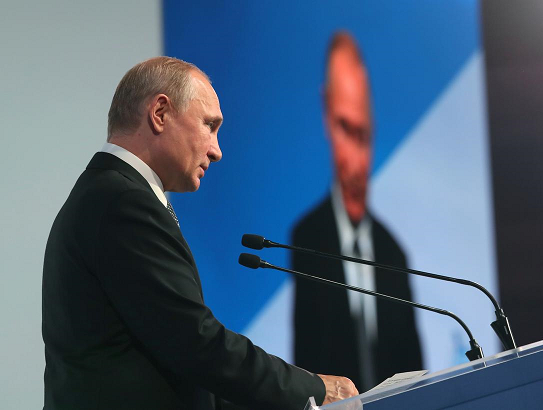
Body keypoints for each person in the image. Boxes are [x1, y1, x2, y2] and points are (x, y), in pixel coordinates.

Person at [42, 57, 358, 410]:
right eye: (209, 125)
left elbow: (177, 363)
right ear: (160, 113)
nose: (217, 150)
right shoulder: (122, 202)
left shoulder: (109, 194)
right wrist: (313, 390)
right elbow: (196, 343)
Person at [292, 32, 423, 391]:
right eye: (345, 130)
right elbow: (304, 358)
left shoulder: (393, 253)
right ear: (325, 114)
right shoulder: (304, 239)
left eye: (363, 136)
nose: (356, 161)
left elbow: (416, 371)